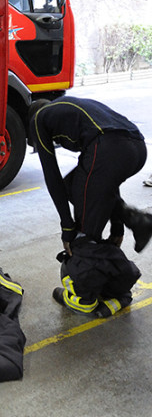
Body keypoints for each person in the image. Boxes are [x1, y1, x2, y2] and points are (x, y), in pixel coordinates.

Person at [28, 96, 152, 318]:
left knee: (83, 237)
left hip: (108, 149)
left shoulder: (38, 119)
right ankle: (135, 221)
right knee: (73, 185)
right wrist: (117, 226)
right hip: (137, 148)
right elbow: (106, 176)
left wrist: (67, 226)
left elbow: (51, 175)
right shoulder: (70, 108)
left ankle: (83, 298)